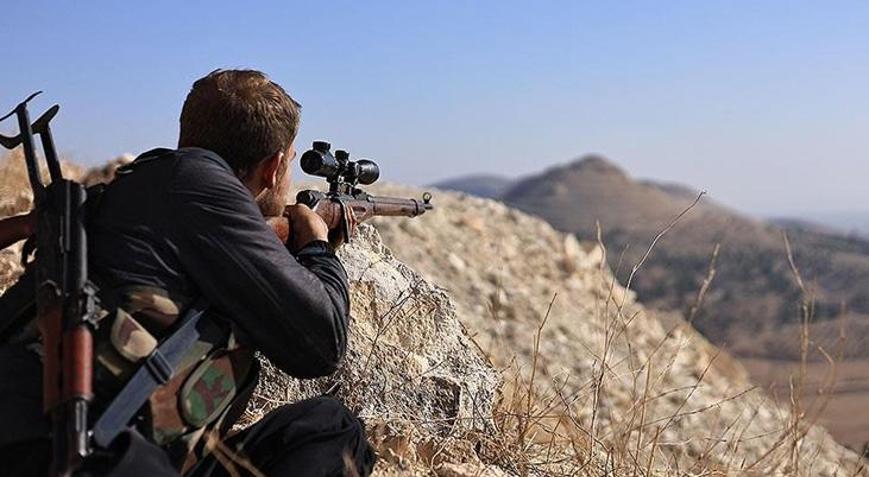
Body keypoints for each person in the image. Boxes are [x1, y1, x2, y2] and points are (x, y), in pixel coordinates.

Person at [0, 69, 376, 476]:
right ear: (274, 167)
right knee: (336, 434)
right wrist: (318, 247)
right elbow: (322, 343)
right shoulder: (206, 191)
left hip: (44, 422)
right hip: (79, 450)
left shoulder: (142, 182)